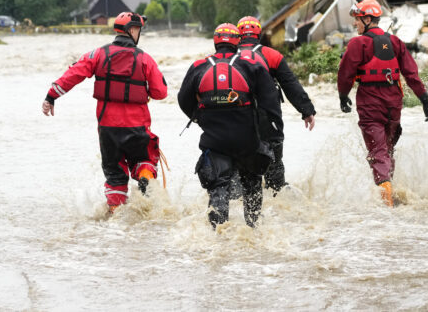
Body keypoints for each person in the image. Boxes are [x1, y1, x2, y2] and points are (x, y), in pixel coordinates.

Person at [41, 12, 168, 214]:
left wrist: (51, 96)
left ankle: (115, 218)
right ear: (133, 30)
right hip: (137, 127)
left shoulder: (97, 54)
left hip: (108, 129)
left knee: (115, 176)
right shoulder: (145, 59)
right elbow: (161, 93)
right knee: (145, 161)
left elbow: (73, 74)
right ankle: (144, 175)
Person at [178, 23, 283, 228]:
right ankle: (253, 229)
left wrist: (200, 119)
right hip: (248, 139)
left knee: (219, 185)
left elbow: (183, 99)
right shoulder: (251, 66)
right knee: (252, 183)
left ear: (216, 42)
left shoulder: (199, 66)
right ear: (237, 42)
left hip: (214, 139)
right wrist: (273, 131)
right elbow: (270, 101)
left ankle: (219, 233)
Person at [337, 0, 428, 207]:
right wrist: (424, 98)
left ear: (369, 19)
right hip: (394, 104)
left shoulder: (358, 43)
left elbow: (345, 73)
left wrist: (343, 96)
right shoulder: (395, 42)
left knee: (378, 151)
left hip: (371, 102)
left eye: (358, 20)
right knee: (387, 148)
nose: (355, 24)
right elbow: (411, 73)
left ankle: (386, 204)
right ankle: (391, 190)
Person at [236, 16, 316, 194]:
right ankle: (277, 196)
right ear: (259, 33)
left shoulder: (230, 57)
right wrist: (307, 111)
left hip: (237, 118)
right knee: (274, 165)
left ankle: (237, 203)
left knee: (237, 166)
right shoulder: (273, 56)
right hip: (268, 118)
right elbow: (290, 85)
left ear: (239, 35)